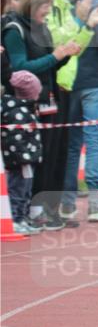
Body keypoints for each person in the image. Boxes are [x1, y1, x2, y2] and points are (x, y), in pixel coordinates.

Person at [2, 0, 81, 229]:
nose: (47, 11)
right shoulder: (15, 30)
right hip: (27, 103)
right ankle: (30, 210)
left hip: (50, 98)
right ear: (32, 5)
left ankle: (46, 208)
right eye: (44, 6)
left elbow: (49, 65)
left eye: (49, 6)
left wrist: (65, 55)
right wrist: (55, 56)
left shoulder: (41, 28)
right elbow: (20, 69)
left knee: (53, 153)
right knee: (34, 156)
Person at [59, 0, 98, 224]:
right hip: (95, 84)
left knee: (72, 146)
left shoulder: (67, 19)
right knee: (94, 143)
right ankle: (94, 206)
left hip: (71, 84)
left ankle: (67, 203)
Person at [1, 71, 43, 234]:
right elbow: (15, 139)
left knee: (25, 189)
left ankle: (22, 217)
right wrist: (24, 157)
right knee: (18, 189)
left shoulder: (25, 110)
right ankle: (16, 219)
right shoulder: (17, 113)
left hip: (27, 157)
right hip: (20, 160)